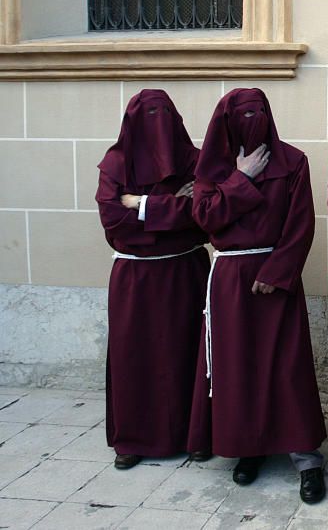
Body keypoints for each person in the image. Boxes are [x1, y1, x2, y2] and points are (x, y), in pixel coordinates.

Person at [186, 88, 327, 504]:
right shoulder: (212, 169)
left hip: (276, 277)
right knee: (238, 365)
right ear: (226, 122)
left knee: (287, 364)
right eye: (243, 114)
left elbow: (301, 224)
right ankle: (249, 447)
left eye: (259, 112)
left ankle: (306, 457)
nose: (253, 119)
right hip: (231, 279)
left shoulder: (294, 161)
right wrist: (241, 178)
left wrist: (278, 271)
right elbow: (205, 218)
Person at [97, 89, 209, 470]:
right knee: (136, 355)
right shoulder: (115, 164)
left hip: (184, 274)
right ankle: (133, 437)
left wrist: (144, 206)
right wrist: (174, 206)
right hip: (135, 279)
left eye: (164, 114)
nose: (158, 124)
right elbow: (115, 223)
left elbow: (204, 216)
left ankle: (194, 434)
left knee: (188, 352)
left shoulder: (193, 160)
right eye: (149, 115)